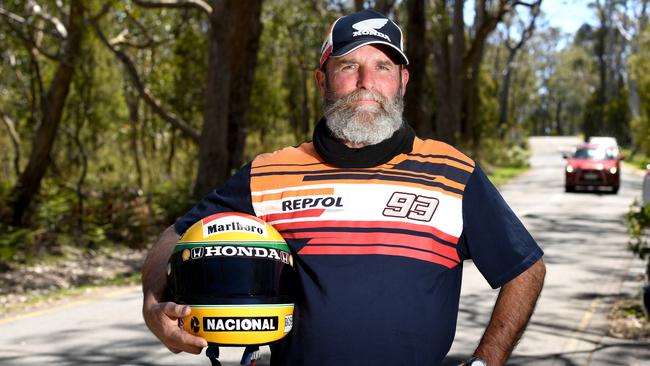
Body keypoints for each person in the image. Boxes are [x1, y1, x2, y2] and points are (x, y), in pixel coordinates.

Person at [142, 9, 546, 366]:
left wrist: (485, 361)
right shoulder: (269, 173)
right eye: (348, 66)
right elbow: (176, 236)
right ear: (323, 80)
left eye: (383, 67)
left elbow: (525, 268)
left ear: (402, 80)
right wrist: (152, 305)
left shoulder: (452, 172)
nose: (365, 82)